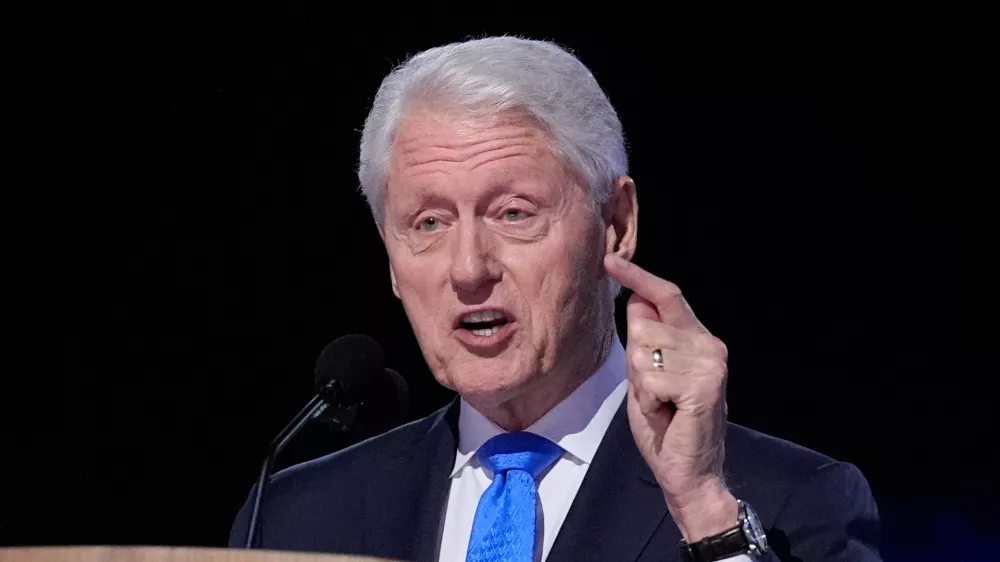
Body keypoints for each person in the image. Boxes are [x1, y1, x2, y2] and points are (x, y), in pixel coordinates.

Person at [229, 36, 881, 562]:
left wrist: (705, 513)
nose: (468, 269)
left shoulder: (791, 502)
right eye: (428, 223)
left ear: (617, 225)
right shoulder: (296, 518)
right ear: (390, 258)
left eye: (513, 213)